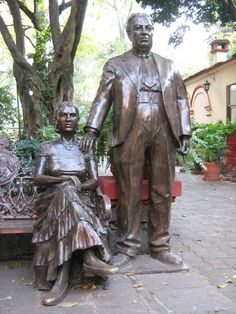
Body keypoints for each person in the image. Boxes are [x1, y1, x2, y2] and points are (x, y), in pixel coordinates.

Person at [80, 13, 191, 268]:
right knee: (128, 188)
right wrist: (91, 130)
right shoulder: (116, 64)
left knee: (162, 188)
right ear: (129, 34)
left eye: (148, 28)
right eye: (138, 29)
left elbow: (182, 100)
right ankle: (128, 246)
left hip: (163, 127)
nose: (144, 32)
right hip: (130, 127)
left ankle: (160, 246)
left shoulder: (169, 65)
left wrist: (184, 133)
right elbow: (103, 98)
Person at [32, 101, 118, 306]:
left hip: (80, 197)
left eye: (73, 115)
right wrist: (63, 181)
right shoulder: (47, 147)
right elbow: (37, 178)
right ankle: (89, 256)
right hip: (52, 198)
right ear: (57, 120)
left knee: (70, 196)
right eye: (64, 115)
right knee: (66, 192)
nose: (68, 119)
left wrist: (76, 186)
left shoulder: (85, 148)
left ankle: (61, 280)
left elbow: (94, 180)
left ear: (78, 120)